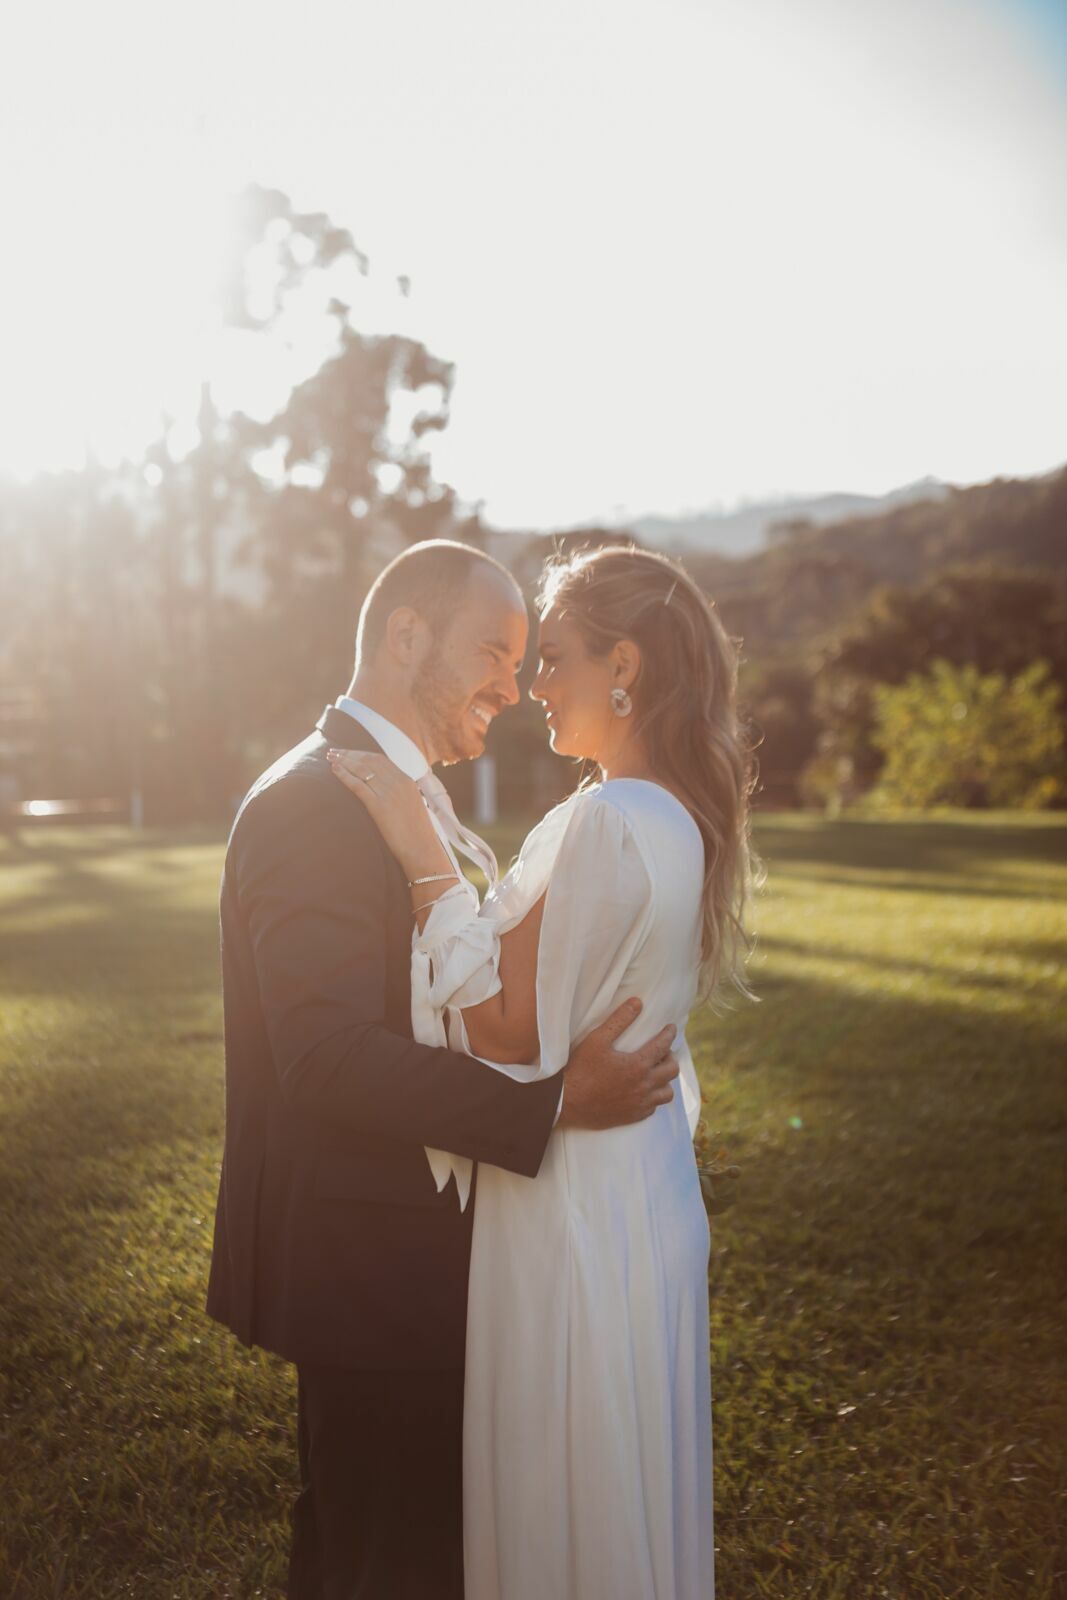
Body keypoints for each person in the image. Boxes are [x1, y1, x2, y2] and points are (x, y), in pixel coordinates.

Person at [205, 539, 682, 1600]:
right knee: (388, 1552)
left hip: (417, 1253)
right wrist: (555, 1106)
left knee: (382, 1542)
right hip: (362, 1259)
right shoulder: (314, 803)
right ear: (405, 635)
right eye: (494, 654)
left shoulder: (396, 793)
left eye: (524, 662)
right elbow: (324, 1057)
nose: (512, 690)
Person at [329, 542, 756, 1600]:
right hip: (642, 1192)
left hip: (569, 1208)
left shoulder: (606, 817)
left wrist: (425, 861)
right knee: (618, 1474)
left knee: (566, 1482)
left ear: (626, 664)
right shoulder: (678, 820)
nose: (533, 690)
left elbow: (505, 1034)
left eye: (554, 658)